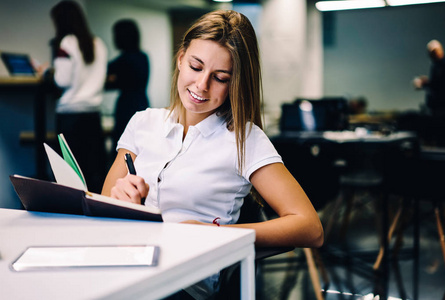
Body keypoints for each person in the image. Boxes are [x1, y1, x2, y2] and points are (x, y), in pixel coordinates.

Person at [102, 10, 323, 299]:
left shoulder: (244, 139)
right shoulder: (143, 123)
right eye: (196, 67)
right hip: (129, 261)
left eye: (220, 77)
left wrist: (215, 235)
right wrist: (122, 199)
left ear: (236, 83)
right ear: (181, 58)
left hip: (184, 281)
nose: (201, 86)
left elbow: (310, 227)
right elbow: (104, 204)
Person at [50, 0, 108, 193]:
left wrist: (49, 72)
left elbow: (62, 80)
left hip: (70, 115)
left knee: (70, 175)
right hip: (92, 114)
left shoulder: (66, 43)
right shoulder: (98, 43)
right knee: (93, 171)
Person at [105, 19, 150, 159]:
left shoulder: (123, 60)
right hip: (142, 102)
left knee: (124, 147)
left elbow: (105, 80)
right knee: (141, 147)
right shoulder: (143, 57)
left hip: (127, 106)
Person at [413, 39, 445, 115]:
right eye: (431, 53)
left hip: (443, 106)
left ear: (440, 51)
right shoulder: (436, 66)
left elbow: (441, 85)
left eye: (435, 52)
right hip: (439, 106)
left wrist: (425, 83)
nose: (433, 55)